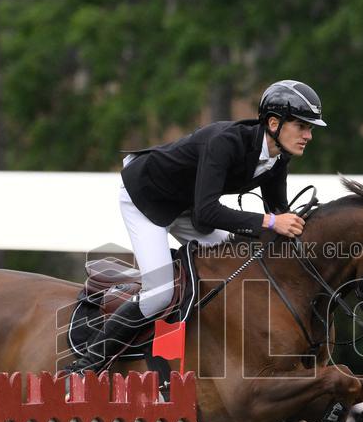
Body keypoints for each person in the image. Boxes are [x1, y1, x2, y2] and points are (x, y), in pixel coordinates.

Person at [65, 80, 327, 374]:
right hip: (147, 199)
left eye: (311, 128)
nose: (308, 135)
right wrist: (269, 222)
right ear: (274, 123)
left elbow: (278, 213)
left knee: (239, 258)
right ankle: (87, 363)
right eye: (303, 126)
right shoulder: (225, 142)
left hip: (187, 208)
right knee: (160, 293)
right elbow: (212, 211)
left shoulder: (278, 158)